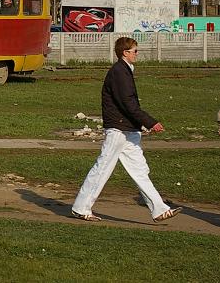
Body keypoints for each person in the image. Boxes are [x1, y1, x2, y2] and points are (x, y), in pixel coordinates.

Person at [71, 36, 181, 223]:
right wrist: (150, 122)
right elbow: (128, 103)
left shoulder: (124, 70)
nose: (137, 54)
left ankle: (159, 209)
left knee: (139, 170)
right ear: (125, 52)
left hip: (127, 130)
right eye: (135, 51)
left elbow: (128, 103)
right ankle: (81, 207)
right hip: (118, 130)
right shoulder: (119, 72)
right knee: (102, 168)